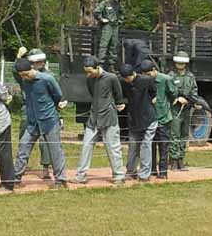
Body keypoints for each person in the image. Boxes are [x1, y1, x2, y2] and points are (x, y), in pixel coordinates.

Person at [13, 59, 68, 189]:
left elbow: (58, 94)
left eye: (26, 74)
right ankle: (16, 178)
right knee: (23, 146)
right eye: (22, 75)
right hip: (32, 122)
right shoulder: (25, 81)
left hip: (49, 120)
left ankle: (61, 180)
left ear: (32, 68)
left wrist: (53, 107)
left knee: (55, 150)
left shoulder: (47, 79)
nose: (25, 77)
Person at [71, 56, 126, 185]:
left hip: (109, 117)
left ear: (97, 67)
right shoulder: (89, 79)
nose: (88, 74)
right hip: (93, 117)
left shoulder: (111, 78)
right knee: (86, 145)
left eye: (90, 71)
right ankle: (81, 175)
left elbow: (118, 94)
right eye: (86, 71)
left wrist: (117, 104)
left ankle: (118, 175)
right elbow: (92, 94)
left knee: (113, 146)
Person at [14, 47, 52, 179]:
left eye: (41, 61)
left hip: (45, 111)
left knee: (45, 141)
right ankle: (21, 167)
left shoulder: (48, 75)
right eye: (36, 62)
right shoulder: (24, 76)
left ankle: (46, 167)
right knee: (24, 139)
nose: (39, 64)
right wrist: (18, 57)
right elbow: (16, 71)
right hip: (28, 110)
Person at [119, 64, 157, 182]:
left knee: (146, 145)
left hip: (148, 118)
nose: (126, 80)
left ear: (133, 74)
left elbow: (153, 94)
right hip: (134, 119)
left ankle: (145, 174)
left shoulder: (147, 80)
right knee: (133, 146)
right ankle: (131, 171)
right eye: (124, 78)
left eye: (128, 78)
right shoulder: (123, 82)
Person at [141, 60, 177, 179]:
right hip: (150, 118)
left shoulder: (165, 79)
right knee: (150, 145)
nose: (147, 77)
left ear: (154, 70)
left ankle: (163, 172)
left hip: (163, 117)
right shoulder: (144, 80)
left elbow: (173, 94)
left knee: (163, 146)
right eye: (144, 74)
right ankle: (151, 170)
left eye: (149, 74)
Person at [168, 51, 201, 171]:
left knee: (184, 135)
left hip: (186, 110)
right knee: (174, 135)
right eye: (178, 62)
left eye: (182, 62)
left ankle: (181, 159)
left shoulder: (190, 77)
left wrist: (192, 101)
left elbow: (194, 92)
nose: (180, 64)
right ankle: (173, 160)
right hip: (175, 110)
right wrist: (177, 98)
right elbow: (167, 92)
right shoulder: (170, 76)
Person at [93, 0, 125, 72]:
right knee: (104, 45)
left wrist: (120, 21)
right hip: (107, 26)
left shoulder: (119, 5)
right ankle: (100, 65)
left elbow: (122, 13)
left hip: (115, 26)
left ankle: (111, 66)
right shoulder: (105, 3)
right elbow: (96, 12)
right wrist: (101, 19)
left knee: (113, 45)